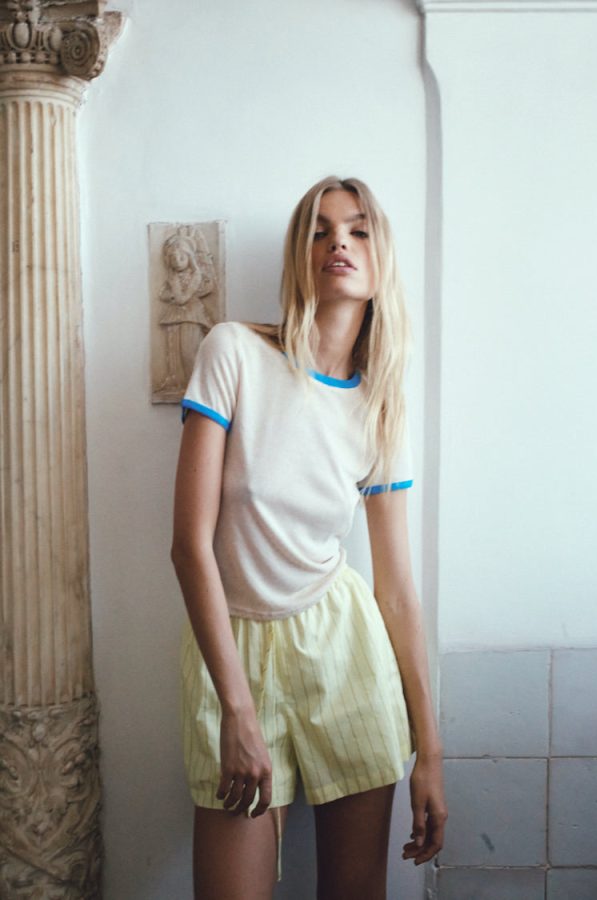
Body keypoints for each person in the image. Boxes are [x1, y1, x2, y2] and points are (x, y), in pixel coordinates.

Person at [171, 176, 447, 900]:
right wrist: (237, 709)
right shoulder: (233, 352)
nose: (338, 244)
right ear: (301, 255)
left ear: (380, 258)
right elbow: (189, 546)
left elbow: (396, 590)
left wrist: (431, 755)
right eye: (320, 231)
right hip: (232, 654)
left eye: (357, 230)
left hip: (343, 654)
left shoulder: (380, 407)